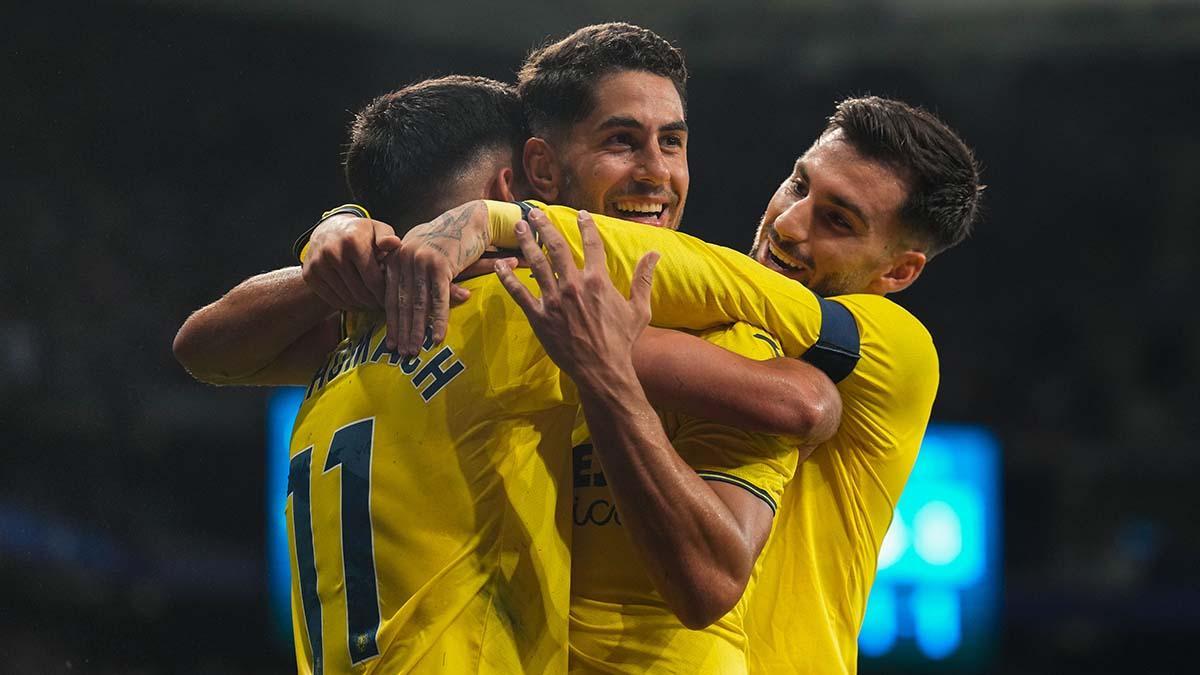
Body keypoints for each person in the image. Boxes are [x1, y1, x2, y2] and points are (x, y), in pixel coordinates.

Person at [175, 24, 844, 673]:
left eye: (673, 142)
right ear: (520, 184)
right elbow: (805, 401)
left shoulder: (357, 324)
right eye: (619, 141)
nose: (655, 171)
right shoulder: (525, 310)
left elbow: (199, 347)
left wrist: (335, 238)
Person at [392, 94, 982, 675]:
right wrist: (345, 231)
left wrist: (499, 220)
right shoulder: (702, 325)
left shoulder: (896, 347)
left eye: (838, 221)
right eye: (799, 186)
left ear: (898, 270)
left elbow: (722, 284)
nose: (789, 223)